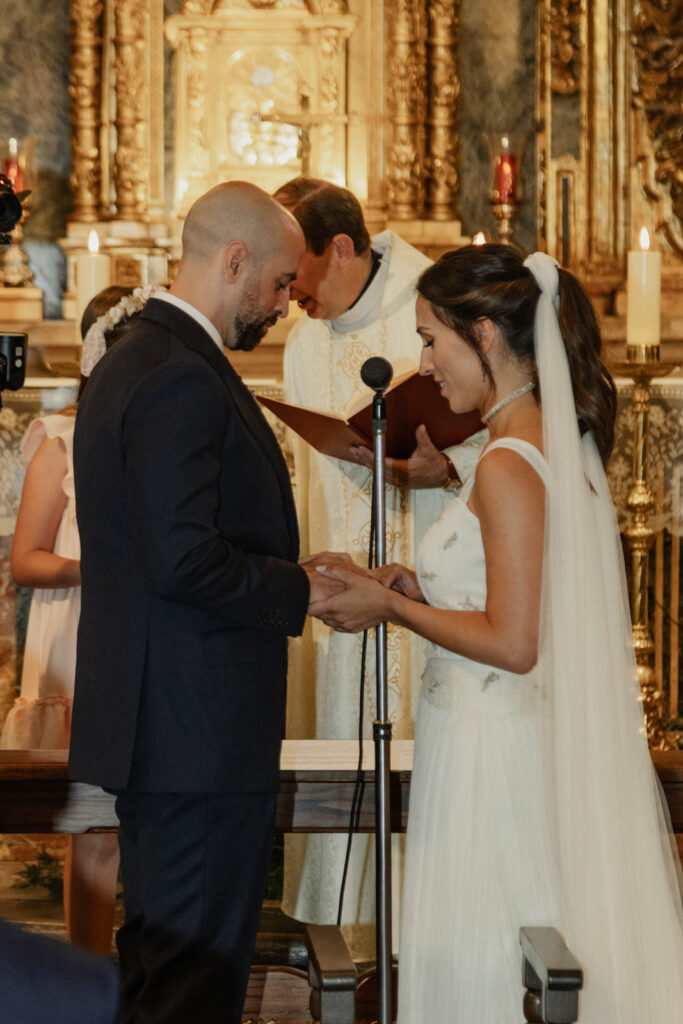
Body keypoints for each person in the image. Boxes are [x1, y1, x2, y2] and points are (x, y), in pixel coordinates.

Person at [309, 244, 683, 1022]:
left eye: (430, 340)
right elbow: (512, 595)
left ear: (483, 335)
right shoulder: (536, 441)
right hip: (494, 737)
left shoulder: (510, 462)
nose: (423, 364)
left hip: (490, 754)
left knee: (483, 955)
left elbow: (515, 643)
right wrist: (412, 583)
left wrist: (392, 610)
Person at [68, 181, 338, 1024]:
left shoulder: (133, 357)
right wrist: (302, 588)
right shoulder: (179, 375)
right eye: (281, 283)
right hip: (197, 737)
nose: (284, 304)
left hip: (167, 730)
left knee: (161, 977)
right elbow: (183, 559)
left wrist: (289, 564)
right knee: (190, 990)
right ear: (233, 261)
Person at [274, 177, 486, 956]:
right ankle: (347, 939)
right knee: (341, 732)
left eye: (295, 270)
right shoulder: (301, 340)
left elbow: (512, 437)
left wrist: (449, 471)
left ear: (338, 248)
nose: (288, 292)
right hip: (345, 592)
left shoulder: (435, 304)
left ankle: (425, 938)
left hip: (433, 583)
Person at [0, 284, 150, 956]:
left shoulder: (165, 433)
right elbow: (27, 560)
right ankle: (89, 974)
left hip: (150, 633)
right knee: (92, 822)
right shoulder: (60, 437)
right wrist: (96, 570)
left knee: (145, 818)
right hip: (77, 636)